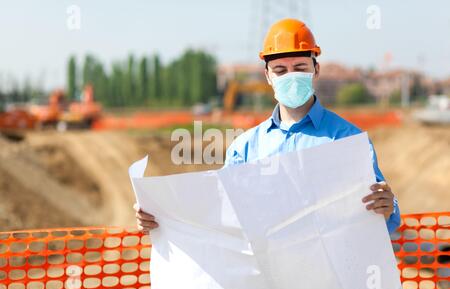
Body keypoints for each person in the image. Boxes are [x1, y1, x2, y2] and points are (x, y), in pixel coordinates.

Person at [135, 18, 400, 235]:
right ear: (268, 76)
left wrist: (387, 207)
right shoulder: (245, 148)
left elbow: (384, 221)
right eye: (281, 70)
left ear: (316, 70)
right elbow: (222, 215)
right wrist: (161, 219)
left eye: (299, 67)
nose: (291, 76)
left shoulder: (349, 140)